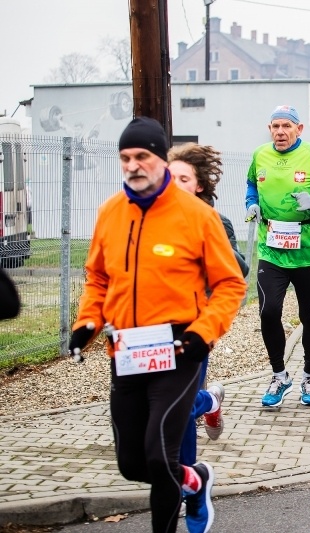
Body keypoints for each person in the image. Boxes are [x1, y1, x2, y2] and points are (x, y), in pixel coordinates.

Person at [68, 117, 247, 533]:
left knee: (160, 457)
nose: (133, 165)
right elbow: (98, 278)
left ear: (161, 160)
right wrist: (87, 324)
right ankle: (195, 478)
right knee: (132, 464)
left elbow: (229, 283)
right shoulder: (110, 212)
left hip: (178, 348)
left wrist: (204, 333)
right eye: (126, 157)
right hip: (127, 350)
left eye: (142, 156)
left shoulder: (195, 216)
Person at [246, 105, 310, 408]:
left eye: (286, 126)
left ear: (299, 129)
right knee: (268, 311)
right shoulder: (260, 155)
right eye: (275, 126)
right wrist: (251, 204)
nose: (279, 132)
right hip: (271, 246)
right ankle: (279, 375)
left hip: (308, 250)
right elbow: (252, 184)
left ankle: (309, 375)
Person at [168, 142, 251, 478]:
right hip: (153, 325)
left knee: (182, 405)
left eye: (182, 180)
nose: (173, 186)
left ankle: (188, 479)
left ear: (199, 184)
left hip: (196, 325)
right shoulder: (149, 219)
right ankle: (211, 401)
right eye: (168, 178)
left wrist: (204, 238)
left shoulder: (216, 221)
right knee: (158, 402)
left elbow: (239, 269)